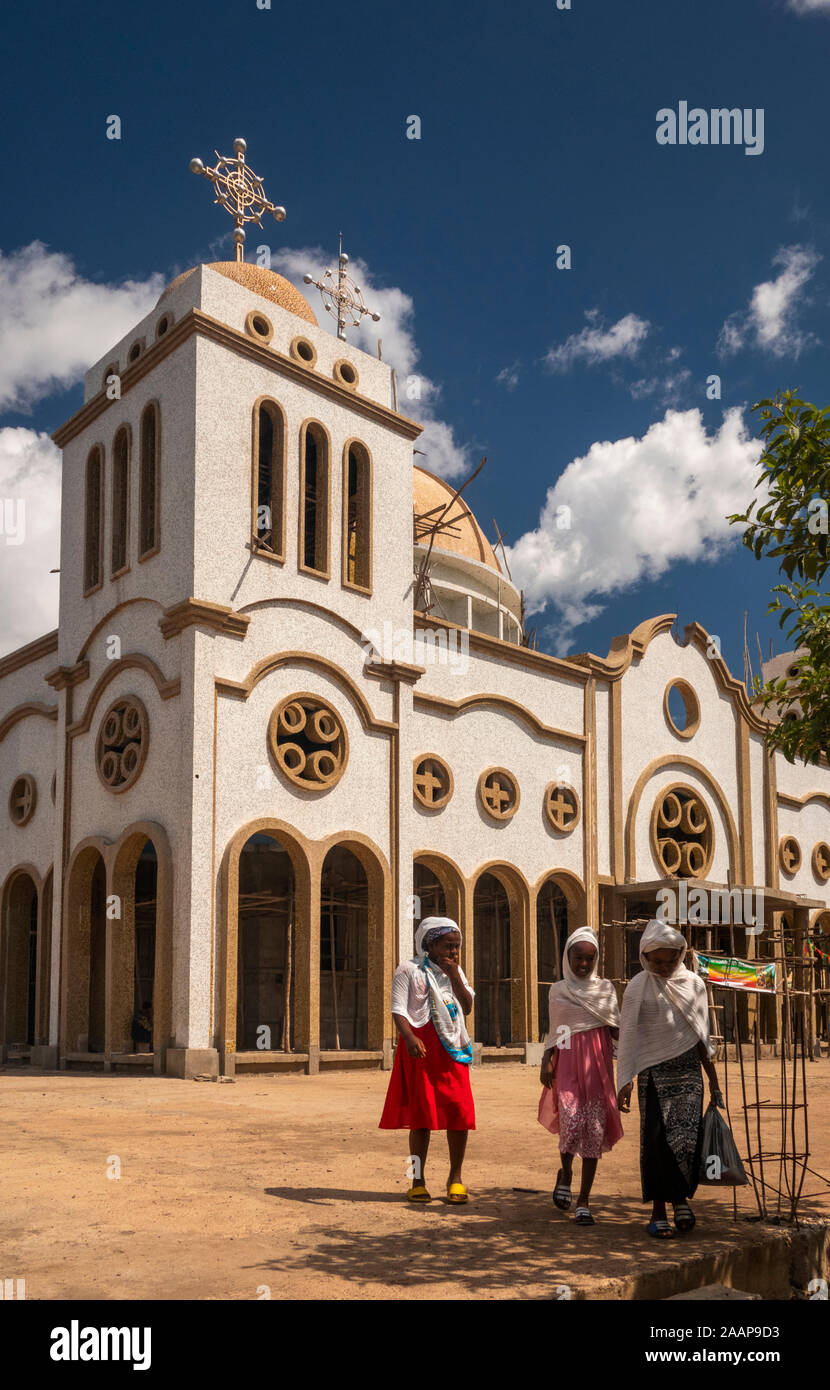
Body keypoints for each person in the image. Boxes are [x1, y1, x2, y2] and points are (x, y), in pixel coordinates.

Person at [615, 919, 723, 1239]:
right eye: (657, 961)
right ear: (645, 958)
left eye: (671, 961)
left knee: (687, 1141)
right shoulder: (638, 986)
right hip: (652, 1076)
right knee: (658, 1143)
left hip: (689, 1074)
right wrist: (626, 1079)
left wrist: (714, 1083)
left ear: (682, 955)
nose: (663, 967)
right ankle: (659, 1209)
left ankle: (681, 1201)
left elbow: (702, 1036)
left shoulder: (695, 985)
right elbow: (630, 1036)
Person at [379, 916, 475, 1204]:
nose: (454, 952)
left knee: (458, 1113)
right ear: (431, 944)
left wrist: (455, 974)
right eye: (448, 946)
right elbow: (398, 1009)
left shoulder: (455, 972)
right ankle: (416, 1181)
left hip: (452, 1049)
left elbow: (467, 1006)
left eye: (457, 947)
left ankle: (455, 1178)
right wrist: (409, 1039)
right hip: (419, 1049)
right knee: (420, 1118)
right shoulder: (408, 970)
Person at [538, 926, 623, 1226]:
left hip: (598, 1068)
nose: (584, 964)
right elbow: (558, 1030)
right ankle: (566, 1172)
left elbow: (615, 1029)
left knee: (594, 1132)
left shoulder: (605, 990)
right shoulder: (558, 990)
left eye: (590, 958)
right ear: (567, 956)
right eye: (578, 958)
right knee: (571, 1124)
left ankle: (584, 1200)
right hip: (568, 1064)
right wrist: (548, 1058)